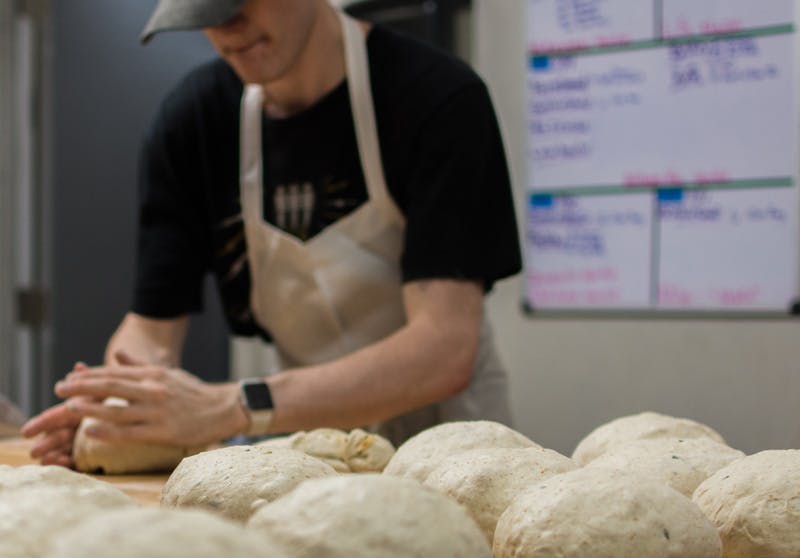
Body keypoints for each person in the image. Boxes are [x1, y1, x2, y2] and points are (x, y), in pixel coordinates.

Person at [22, 0, 521, 467]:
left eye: (241, 3)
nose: (226, 30)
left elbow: (444, 348)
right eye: (207, 13)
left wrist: (233, 405)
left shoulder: (435, 97)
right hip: (311, 442)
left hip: (454, 444)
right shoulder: (194, 124)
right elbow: (152, 330)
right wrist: (122, 406)